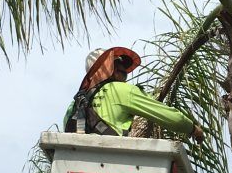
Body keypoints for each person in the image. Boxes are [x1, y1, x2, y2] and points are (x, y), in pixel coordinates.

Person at [64, 47, 205, 143]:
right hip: (109, 162)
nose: (123, 68)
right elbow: (168, 115)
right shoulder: (121, 90)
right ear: (106, 68)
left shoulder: (75, 104)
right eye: (117, 63)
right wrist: (192, 128)